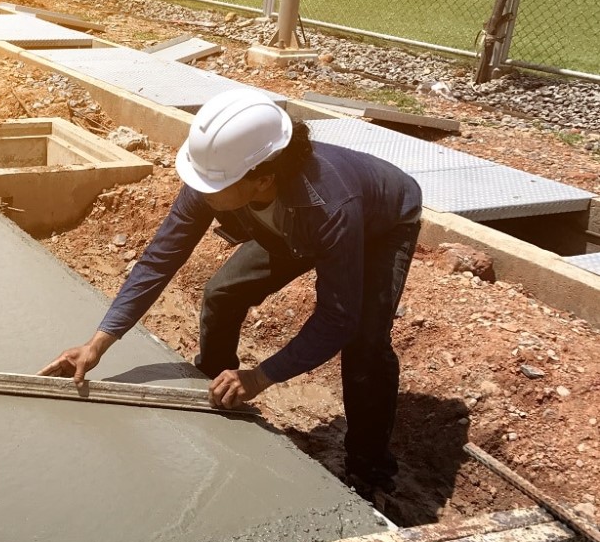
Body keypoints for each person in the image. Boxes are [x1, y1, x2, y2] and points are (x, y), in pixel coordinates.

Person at [40, 89, 422, 498]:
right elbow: (160, 259)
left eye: (211, 185)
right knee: (223, 292)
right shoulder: (220, 178)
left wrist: (260, 377)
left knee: (364, 341)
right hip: (291, 227)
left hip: (380, 225)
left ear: (262, 178)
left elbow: (336, 317)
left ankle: (370, 470)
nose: (198, 190)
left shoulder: (328, 207)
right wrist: (99, 342)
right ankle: (211, 386)